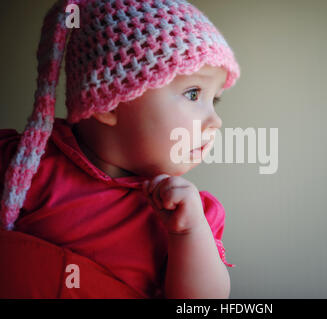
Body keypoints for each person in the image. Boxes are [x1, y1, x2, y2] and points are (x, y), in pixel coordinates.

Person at [0, 0, 240, 299]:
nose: (215, 121)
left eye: (214, 100)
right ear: (109, 100)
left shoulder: (189, 215)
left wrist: (187, 234)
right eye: (193, 93)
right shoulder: (24, 164)